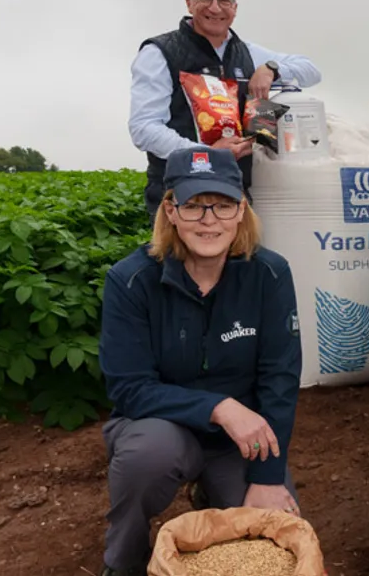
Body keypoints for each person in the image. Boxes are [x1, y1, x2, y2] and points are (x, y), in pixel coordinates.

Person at [98, 147, 302, 576]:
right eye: (193, 205)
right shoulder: (130, 280)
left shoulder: (269, 274)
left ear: (241, 210)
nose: (209, 220)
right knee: (146, 456)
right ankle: (125, 561)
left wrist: (266, 478)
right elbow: (128, 387)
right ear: (170, 210)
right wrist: (217, 408)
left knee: (276, 536)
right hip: (162, 427)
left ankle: (216, 492)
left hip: (240, 442)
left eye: (223, 205)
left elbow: (279, 379)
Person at [129, 0, 323, 221]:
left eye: (224, 0)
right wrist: (206, 154)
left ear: (235, 8)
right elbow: (144, 128)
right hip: (180, 193)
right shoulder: (159, 52)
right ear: (188, 3)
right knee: (184, 261)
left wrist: (271, 70)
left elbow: (311, 70)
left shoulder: (248, 53)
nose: (215, 8)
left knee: (240, 260)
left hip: (235, 190)